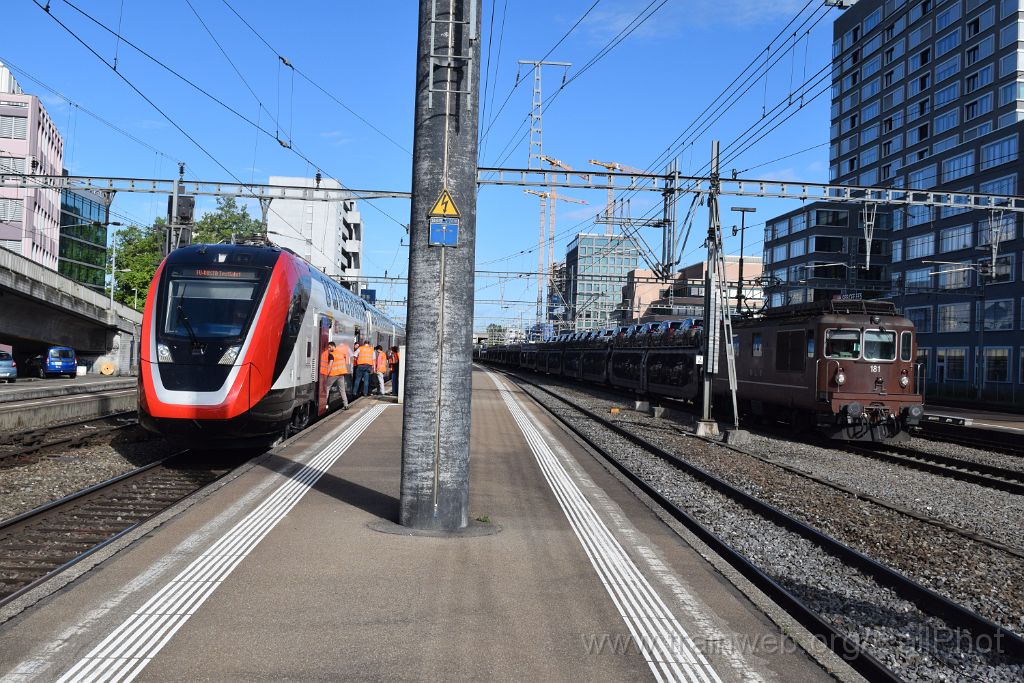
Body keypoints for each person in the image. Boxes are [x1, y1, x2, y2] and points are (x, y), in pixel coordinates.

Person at [325, 341, 350, 410]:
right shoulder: (340, 353)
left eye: (329, 347)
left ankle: (324, 405)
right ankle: (346, 405)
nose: (329, 349)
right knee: (342, 390)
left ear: (333, 346)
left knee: (326, 388)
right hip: (341, 374)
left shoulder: (331, 354)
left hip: (333, 374)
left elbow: (330, 366)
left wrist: (326, 374)